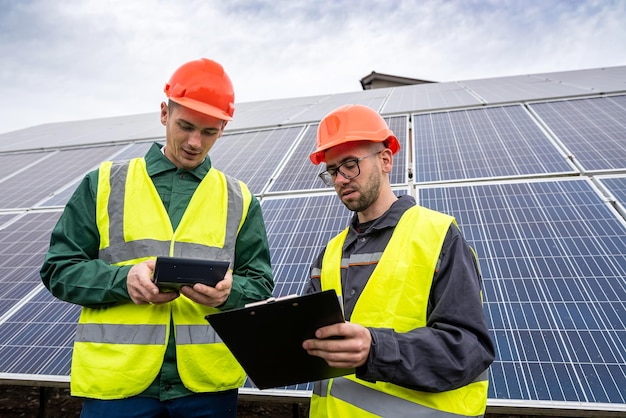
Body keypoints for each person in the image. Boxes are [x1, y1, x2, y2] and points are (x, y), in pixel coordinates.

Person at [40, 58, 274, 418]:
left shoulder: (240, 199)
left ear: (224, 128)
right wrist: (123, 280)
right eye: (185, 126)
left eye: (209, 132)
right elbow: (58, 270)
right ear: (164, 113)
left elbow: (259, 282)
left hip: (207, 388)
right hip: (118, 386)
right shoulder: (103, 183)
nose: (195, 142)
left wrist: (231, 293)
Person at [302, 104, 495, 417]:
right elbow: (312, 344)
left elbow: (467, 349)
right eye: (333, 171)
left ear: (386, 159)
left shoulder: (437, 236)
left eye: (350, 165)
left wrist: (374, 349)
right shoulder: (330, 253)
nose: (340, 179)